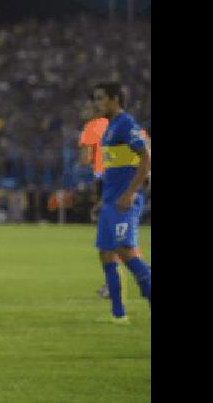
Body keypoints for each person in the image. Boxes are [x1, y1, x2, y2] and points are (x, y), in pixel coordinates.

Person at [91, 82, 152, 323]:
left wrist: (130, 193)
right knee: (106, 254)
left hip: (123, 203)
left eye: (101, 98)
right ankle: (118, 314)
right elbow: (115, 168)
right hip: (110, 203)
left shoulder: (126, 124)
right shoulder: (110, 128)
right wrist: (103, 200)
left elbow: (146, 158)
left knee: (126, 251)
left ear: (115, 99)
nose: (97, 104)